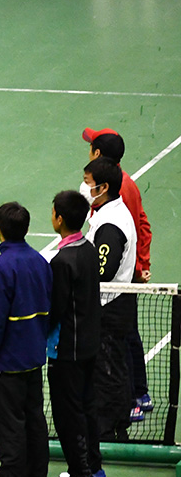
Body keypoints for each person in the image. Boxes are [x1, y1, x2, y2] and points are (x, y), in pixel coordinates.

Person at [0, 202, 52, 477]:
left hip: (8, 365)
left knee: (10, 429)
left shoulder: (0, 269)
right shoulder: (40, 262)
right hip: (34, 358)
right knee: (34, 421)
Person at [83, 127, 153, 421]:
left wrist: (139, 269)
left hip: (117, 289)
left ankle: (134, 397)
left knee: (122, 342)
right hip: (122, 280)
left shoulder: (120, 193)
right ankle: (135, 395)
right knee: (125, 338)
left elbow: (136, 230)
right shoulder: (110, 188)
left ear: (97, 153)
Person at [43, 190, 102, 477]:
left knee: (68, 414)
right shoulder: (89, 248)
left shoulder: (62, 261)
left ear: (60, 218)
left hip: (68, 351)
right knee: (87, 408)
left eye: (53, 211)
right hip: (90, 345)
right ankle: (93, 467)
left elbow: (55, 309)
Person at [82, 156, 137, 451]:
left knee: (108, 370)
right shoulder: (107, 214)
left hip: (109, 307)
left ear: (103, 187)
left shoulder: (111, 225)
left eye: (89, 184)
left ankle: (109, 430)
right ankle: (117, 424)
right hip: (116, 302)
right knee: (113, 367)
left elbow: (104, 270)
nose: (85, 187)